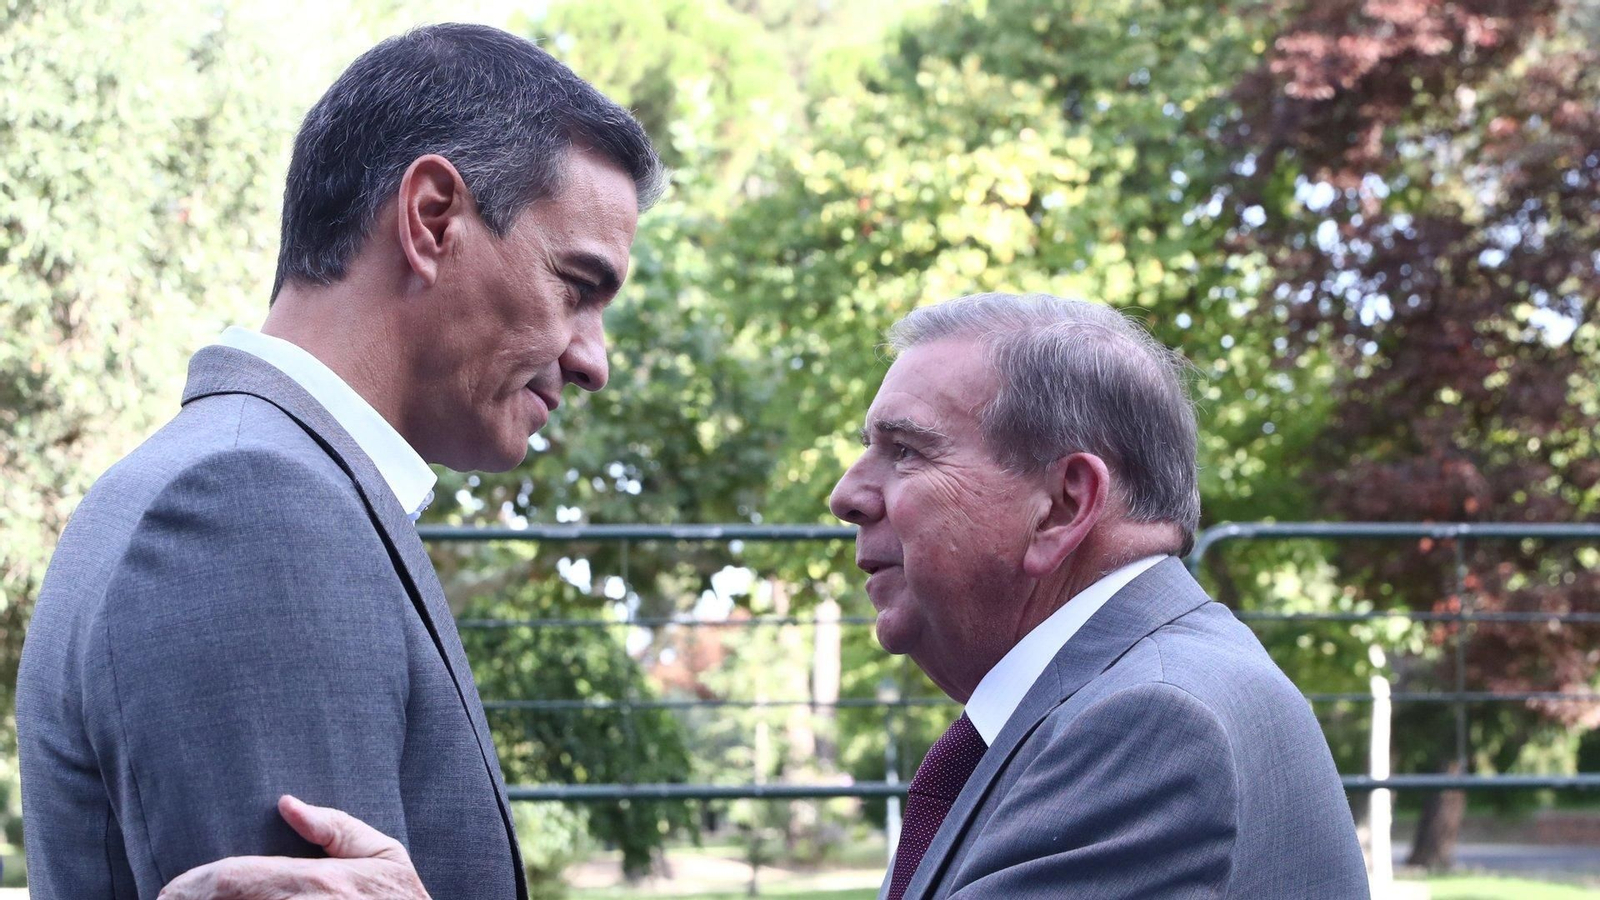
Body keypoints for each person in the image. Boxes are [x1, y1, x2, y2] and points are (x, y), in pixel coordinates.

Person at [160, 293, 1370, 899]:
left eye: (904, 451)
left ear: (1065, 503)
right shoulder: (1156, 687)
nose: (850, 494)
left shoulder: (1148, 732)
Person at [16, 23, 662, 900]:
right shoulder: (255, 508)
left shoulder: (242, 476)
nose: (594, 360)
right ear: (432, 220)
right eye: (576, 288)